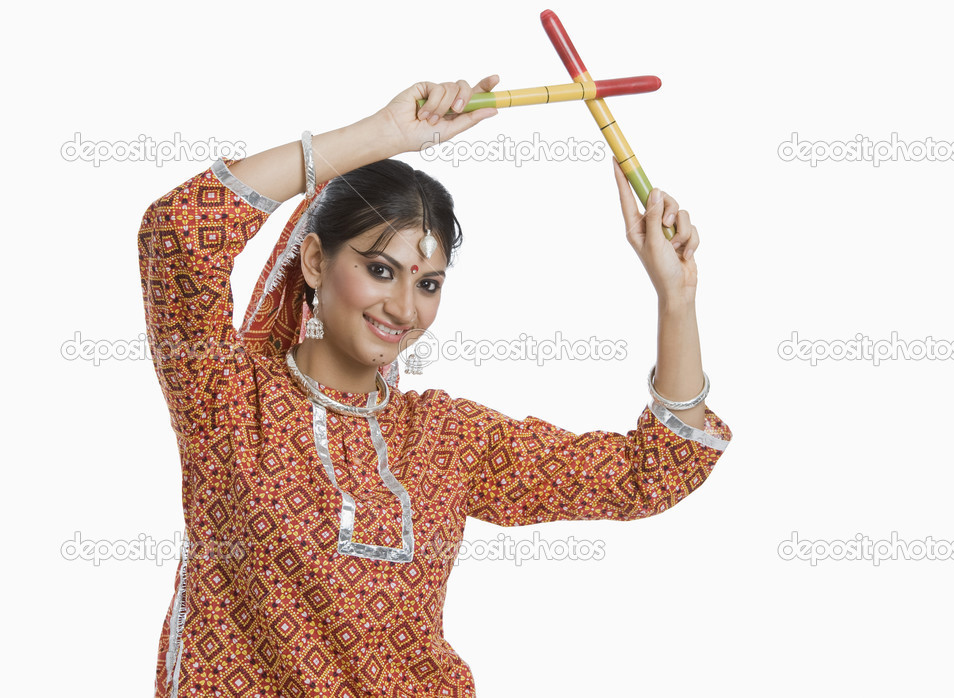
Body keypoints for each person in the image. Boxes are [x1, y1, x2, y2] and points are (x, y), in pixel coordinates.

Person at [138, 74, 733, 698]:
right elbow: (177, 233)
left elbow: (652, 470)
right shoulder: (228, 401)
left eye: (427, 284)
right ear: (315, 262)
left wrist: (677, 298)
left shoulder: (443, 437)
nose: (403, 307)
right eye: (379, 270)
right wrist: (381, 137)